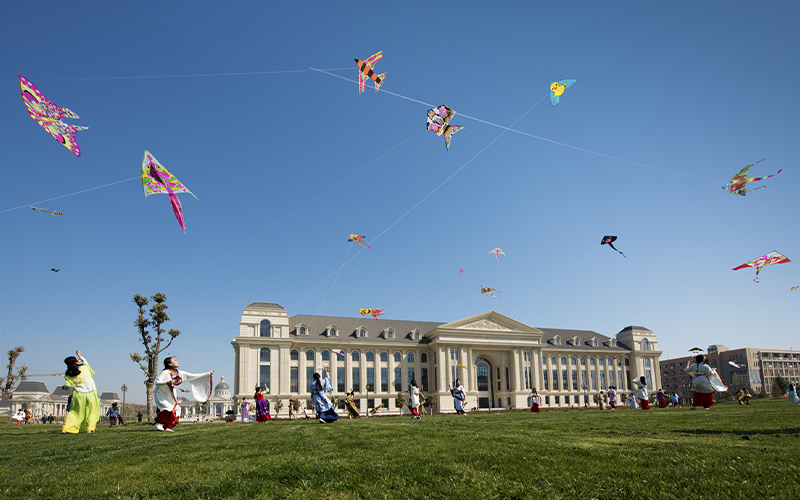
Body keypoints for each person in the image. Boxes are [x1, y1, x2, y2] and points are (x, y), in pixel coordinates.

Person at [154, 356, 213, 432]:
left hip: (170, 394)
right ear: (170, 364)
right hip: (162, 393)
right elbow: (157, 383)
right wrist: (168, 382)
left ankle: (167, 426)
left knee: (175, 409)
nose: (177, 361)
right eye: (174, 360)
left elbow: (193, 376)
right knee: (169, 408)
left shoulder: (179, 373)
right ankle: (159, 423)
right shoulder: (165, 373)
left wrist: (207, 373)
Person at [60, 349, 101, 434]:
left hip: (79, 395)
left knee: (75, 412)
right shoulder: (85, 368)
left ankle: (67, 428)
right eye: (77, 360)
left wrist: (64, 387)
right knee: (92, 411)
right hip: (91, 393)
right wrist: (80, 355)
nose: (79, 360)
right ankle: (89, 428)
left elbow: (67, 386)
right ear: (76, 362)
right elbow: (85, 361)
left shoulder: (69, 374)